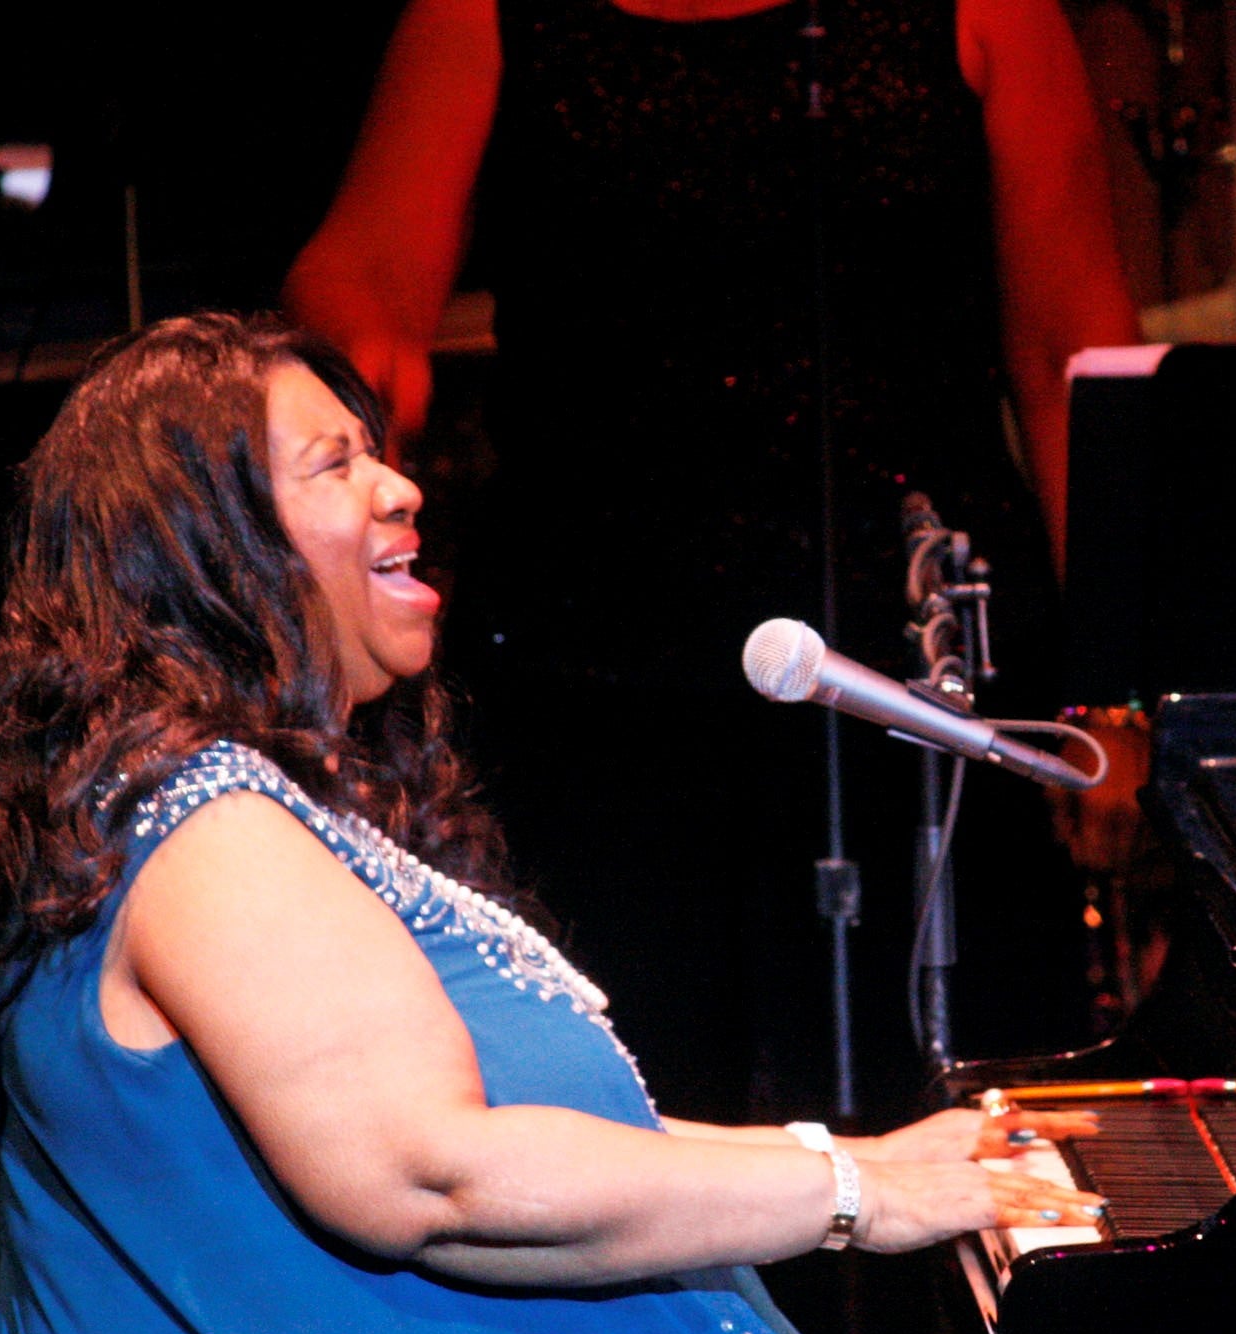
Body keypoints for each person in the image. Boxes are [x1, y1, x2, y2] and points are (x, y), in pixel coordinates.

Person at [0, 312, 1105, 1334]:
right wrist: (862, 1190)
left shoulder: (242, 811)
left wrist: (877, 1175)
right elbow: (427, 1177)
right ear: (204, 548)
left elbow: (583, 1164)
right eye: (332, 465)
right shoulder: (201, 822)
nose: (399, 488)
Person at [284, 0, 1141, 1143]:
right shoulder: (481, 17)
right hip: (600, 683)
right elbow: (364, 281)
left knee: (961, 1101)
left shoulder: (988, 13)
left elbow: (1067, 352)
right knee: (630, 1101)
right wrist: (355, 406)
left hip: (919, 679)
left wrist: (1119, 681)